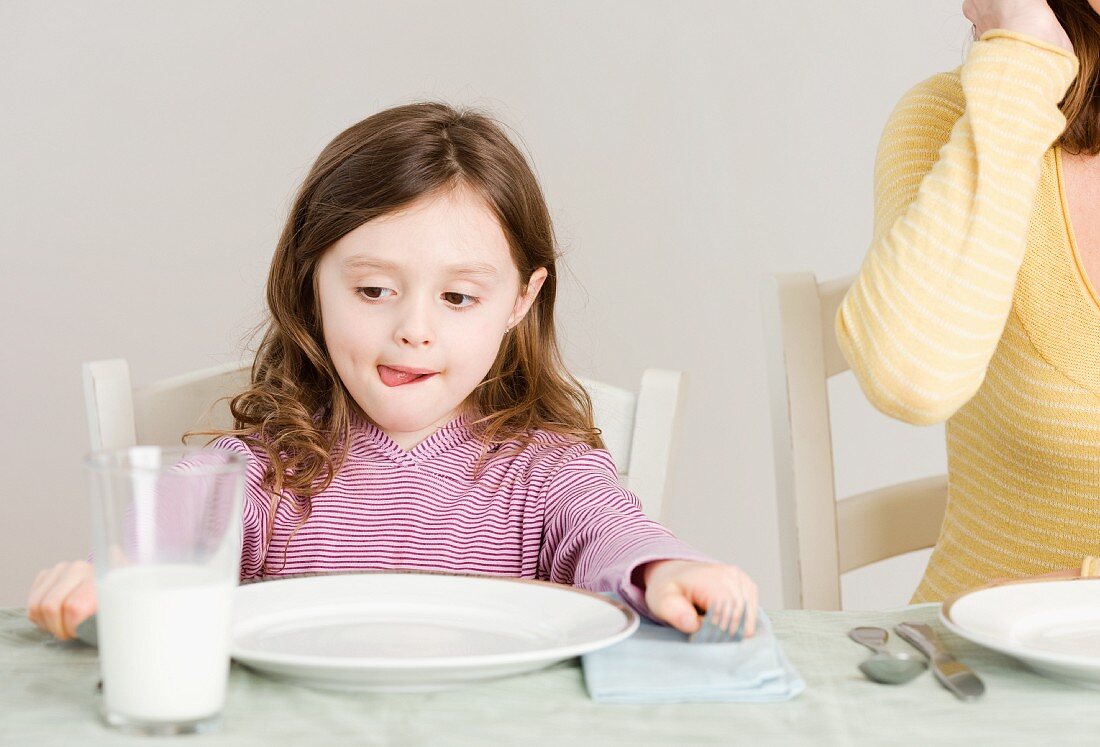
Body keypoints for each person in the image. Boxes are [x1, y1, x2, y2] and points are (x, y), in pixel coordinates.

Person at [27, 102, 758, 640]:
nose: (413, 328)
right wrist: (120, 567)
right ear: (312, 282)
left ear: (519, 300)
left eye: (458, 297)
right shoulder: (265, 468)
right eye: (373, 290)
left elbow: (614, 533)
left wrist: (664, 570)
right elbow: (180, 513)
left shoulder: (549, 472)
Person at [838, 0, 1100, 602]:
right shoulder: (970, 110)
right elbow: (910, 375)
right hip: (982, 676)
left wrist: (1080, 588)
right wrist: (1022, 54)